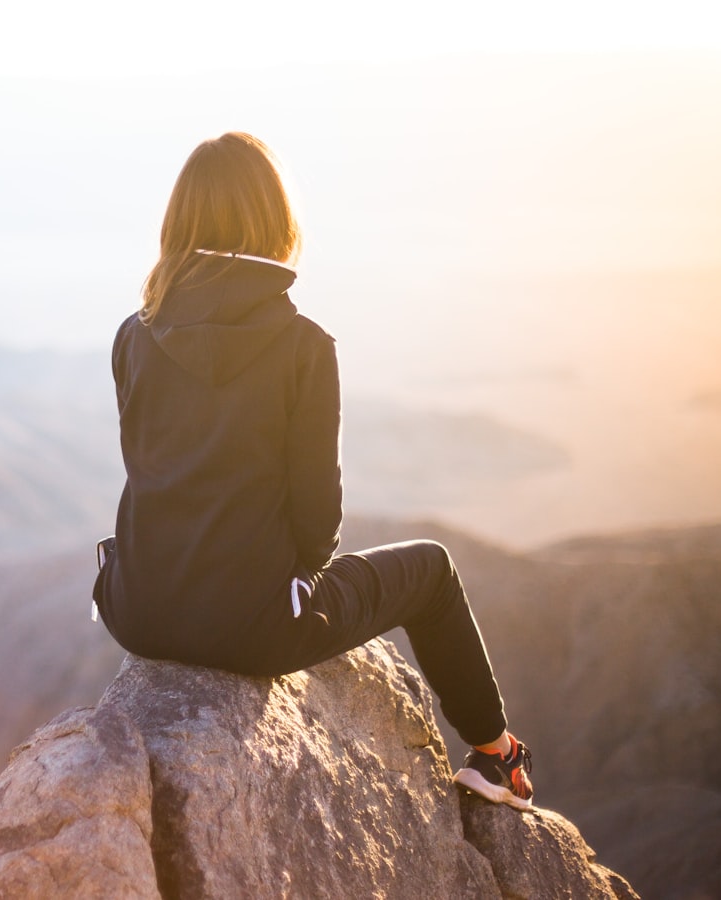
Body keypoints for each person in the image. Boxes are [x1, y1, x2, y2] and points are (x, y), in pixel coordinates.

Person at [90, 131, 534, 810]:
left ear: (178, 222)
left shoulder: (133, 332)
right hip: (255, 628)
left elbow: (150, 468)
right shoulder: (303, 346)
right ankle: (495, 755)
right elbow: (318, 524)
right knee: (434, 571)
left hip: (135, 609)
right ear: (275, 222)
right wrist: (280, 591)